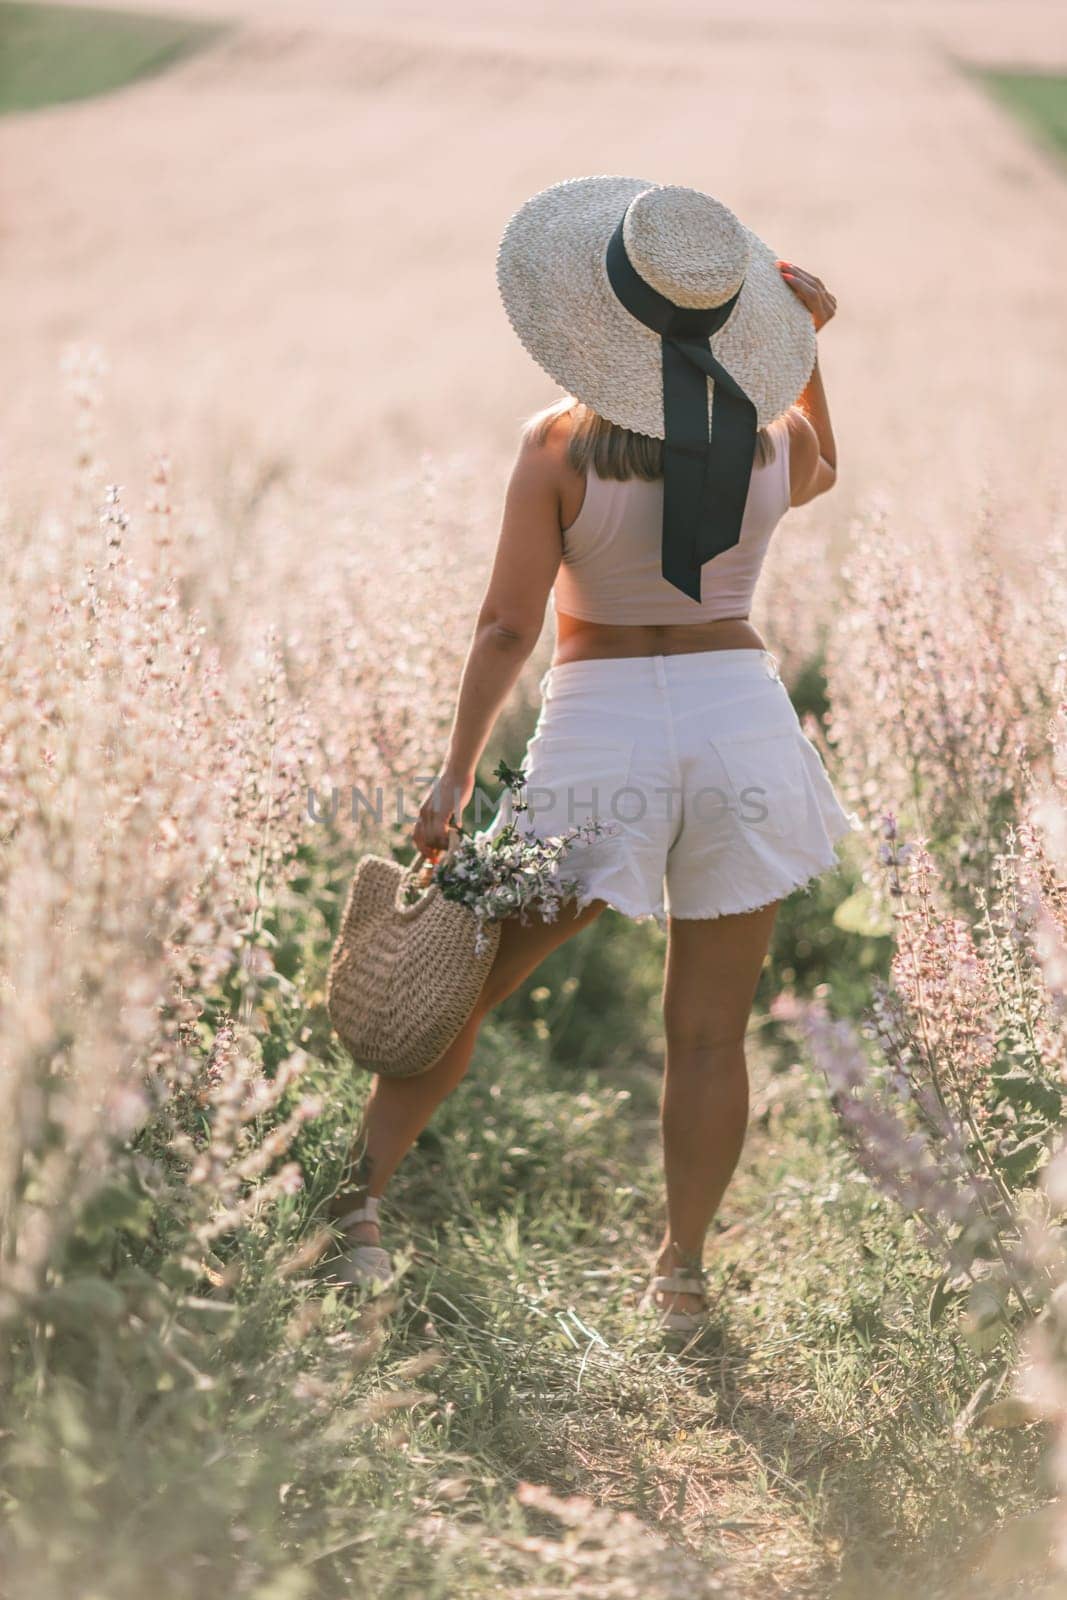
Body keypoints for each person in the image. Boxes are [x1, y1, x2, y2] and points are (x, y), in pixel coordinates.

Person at [327, 177, 860, 1336]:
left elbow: (507, 627)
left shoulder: (558, 441)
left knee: (460, 974)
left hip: (599, 730)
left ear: (602, 317)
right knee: (709, 1032)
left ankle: (349, 1212)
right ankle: (677, 1278)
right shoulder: (766, 442)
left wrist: (454, 773)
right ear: (731, 325)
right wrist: (807, 350)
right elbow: (823, 458)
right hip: (741, 727)